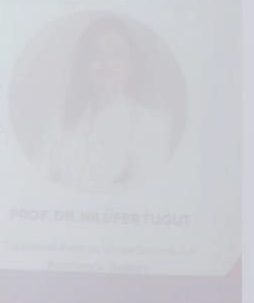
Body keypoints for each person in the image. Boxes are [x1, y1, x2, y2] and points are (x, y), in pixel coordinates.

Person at [46, 15, 172, 194]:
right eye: (96, 55)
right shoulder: (61, 120)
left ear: (131, 65)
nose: (106, 64)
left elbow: (146, 193)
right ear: (84, 64)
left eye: (116, 54)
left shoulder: (152, 124)